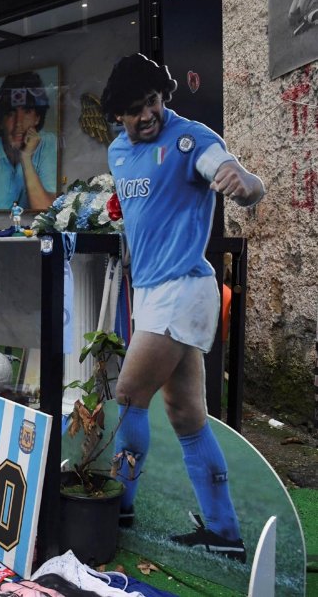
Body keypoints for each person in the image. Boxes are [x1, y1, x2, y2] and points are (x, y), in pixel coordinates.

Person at [101, 54, 265, 562]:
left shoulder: (191, 137)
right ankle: (224, 531)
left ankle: (117, 507)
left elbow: (236, 175)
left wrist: (243, 183)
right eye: (135, 109)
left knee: (129, 395)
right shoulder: (117, 152)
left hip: (184, 287)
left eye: (152, 101)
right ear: (118, 115)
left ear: (163, 96)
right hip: (151, 292)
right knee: (186, 413)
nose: (147, 114)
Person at [0, 71, 57, 211]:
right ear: (0, 121)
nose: (19, 123)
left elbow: (44, 210)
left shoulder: (48, 143)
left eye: (27, 112)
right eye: (11, 113)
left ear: (37, 118)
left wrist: (26, 158)